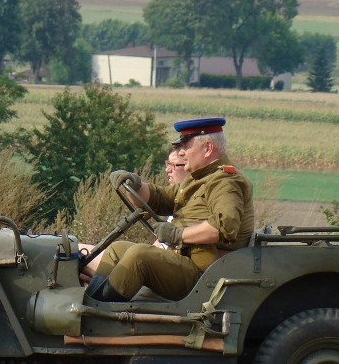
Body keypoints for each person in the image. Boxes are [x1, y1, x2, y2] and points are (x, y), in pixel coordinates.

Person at [85, 117, 254, 302]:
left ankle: (99, 312)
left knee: (139, 256)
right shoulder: (197, 179)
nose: (181, 153)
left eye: (186, 146)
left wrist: (178, 235)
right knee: (117, 249)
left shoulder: (226, 182)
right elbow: (162, 198)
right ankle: (91, 300)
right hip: (184, 261)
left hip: (205, 274)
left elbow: (223, 227)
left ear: (207, 148)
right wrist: (135, 184)